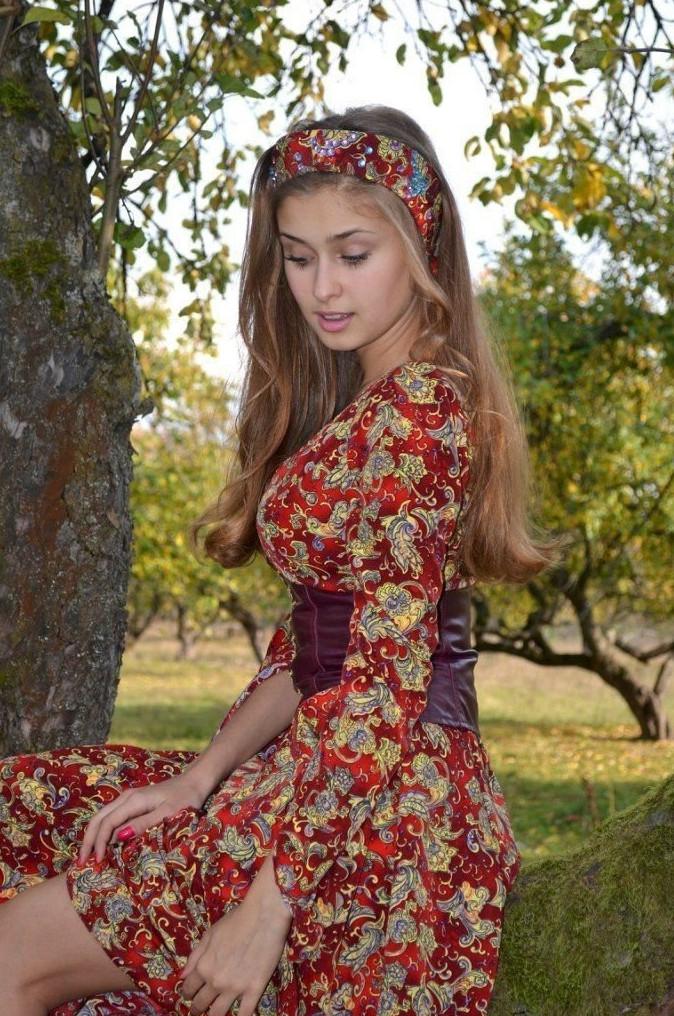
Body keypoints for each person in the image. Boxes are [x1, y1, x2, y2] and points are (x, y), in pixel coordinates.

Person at [0, 104, 563, 1016]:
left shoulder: (418, 414)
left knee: (16, 951)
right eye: (298, 257)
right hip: (328, 769)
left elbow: (383, 687)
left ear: (421, 245)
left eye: (352, 253)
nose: (321, 288)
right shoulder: (370, 402)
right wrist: (200, 777)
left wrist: (270, 905)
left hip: (378, 802)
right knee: (34, 810)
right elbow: (314, 651)